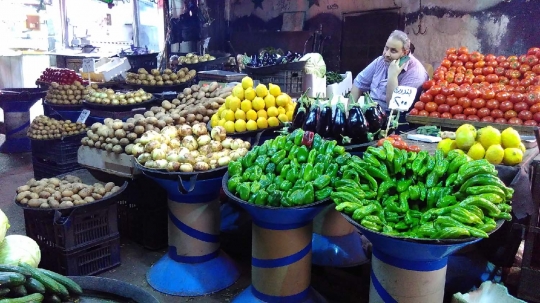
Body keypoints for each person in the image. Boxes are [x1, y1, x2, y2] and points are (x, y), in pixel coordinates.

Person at [351, 30, 428, 112]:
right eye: (386, 48)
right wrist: (350, 111)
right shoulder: (381, 60)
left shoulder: (416, 73)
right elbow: (359, 83)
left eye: (393, 51)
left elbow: (394, 108)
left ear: (405, 53)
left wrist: (392, 76)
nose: (386, 54)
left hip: (395, 119)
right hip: (371, 112)